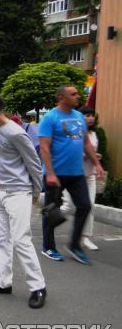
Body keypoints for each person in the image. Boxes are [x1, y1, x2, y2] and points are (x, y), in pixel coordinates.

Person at [0, 92, 47, 309]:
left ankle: (38, 287)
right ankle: (3, 282)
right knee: (1, 238)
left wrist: (36, 191)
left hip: (18, 193)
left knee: (21, 239)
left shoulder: (16, 133)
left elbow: (34, 163)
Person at [39, 86, 105, 264]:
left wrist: (97, 164)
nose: (78, 96)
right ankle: (48, 246)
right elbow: (44, 147)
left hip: (76, 174)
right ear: (61, 97)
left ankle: (74, 245)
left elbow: (86, 144)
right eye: (73, 94)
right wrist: (50, 173)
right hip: (56, 174)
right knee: (52, 211)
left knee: (84, 206)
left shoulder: (78, 117)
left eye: (77, 93)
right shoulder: (50, 118)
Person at [60, 106, 101, 251]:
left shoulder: (94, 134)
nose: (90, 118)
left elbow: (92, 152)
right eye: (87, 115)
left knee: (89, 206)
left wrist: (96, 157)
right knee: (68, 206)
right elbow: (72, 152)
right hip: (74, 176)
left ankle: (85, 237)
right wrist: (89, 155)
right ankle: (49, 221)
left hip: (90, 175)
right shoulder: (74, 132)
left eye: (92, 115)